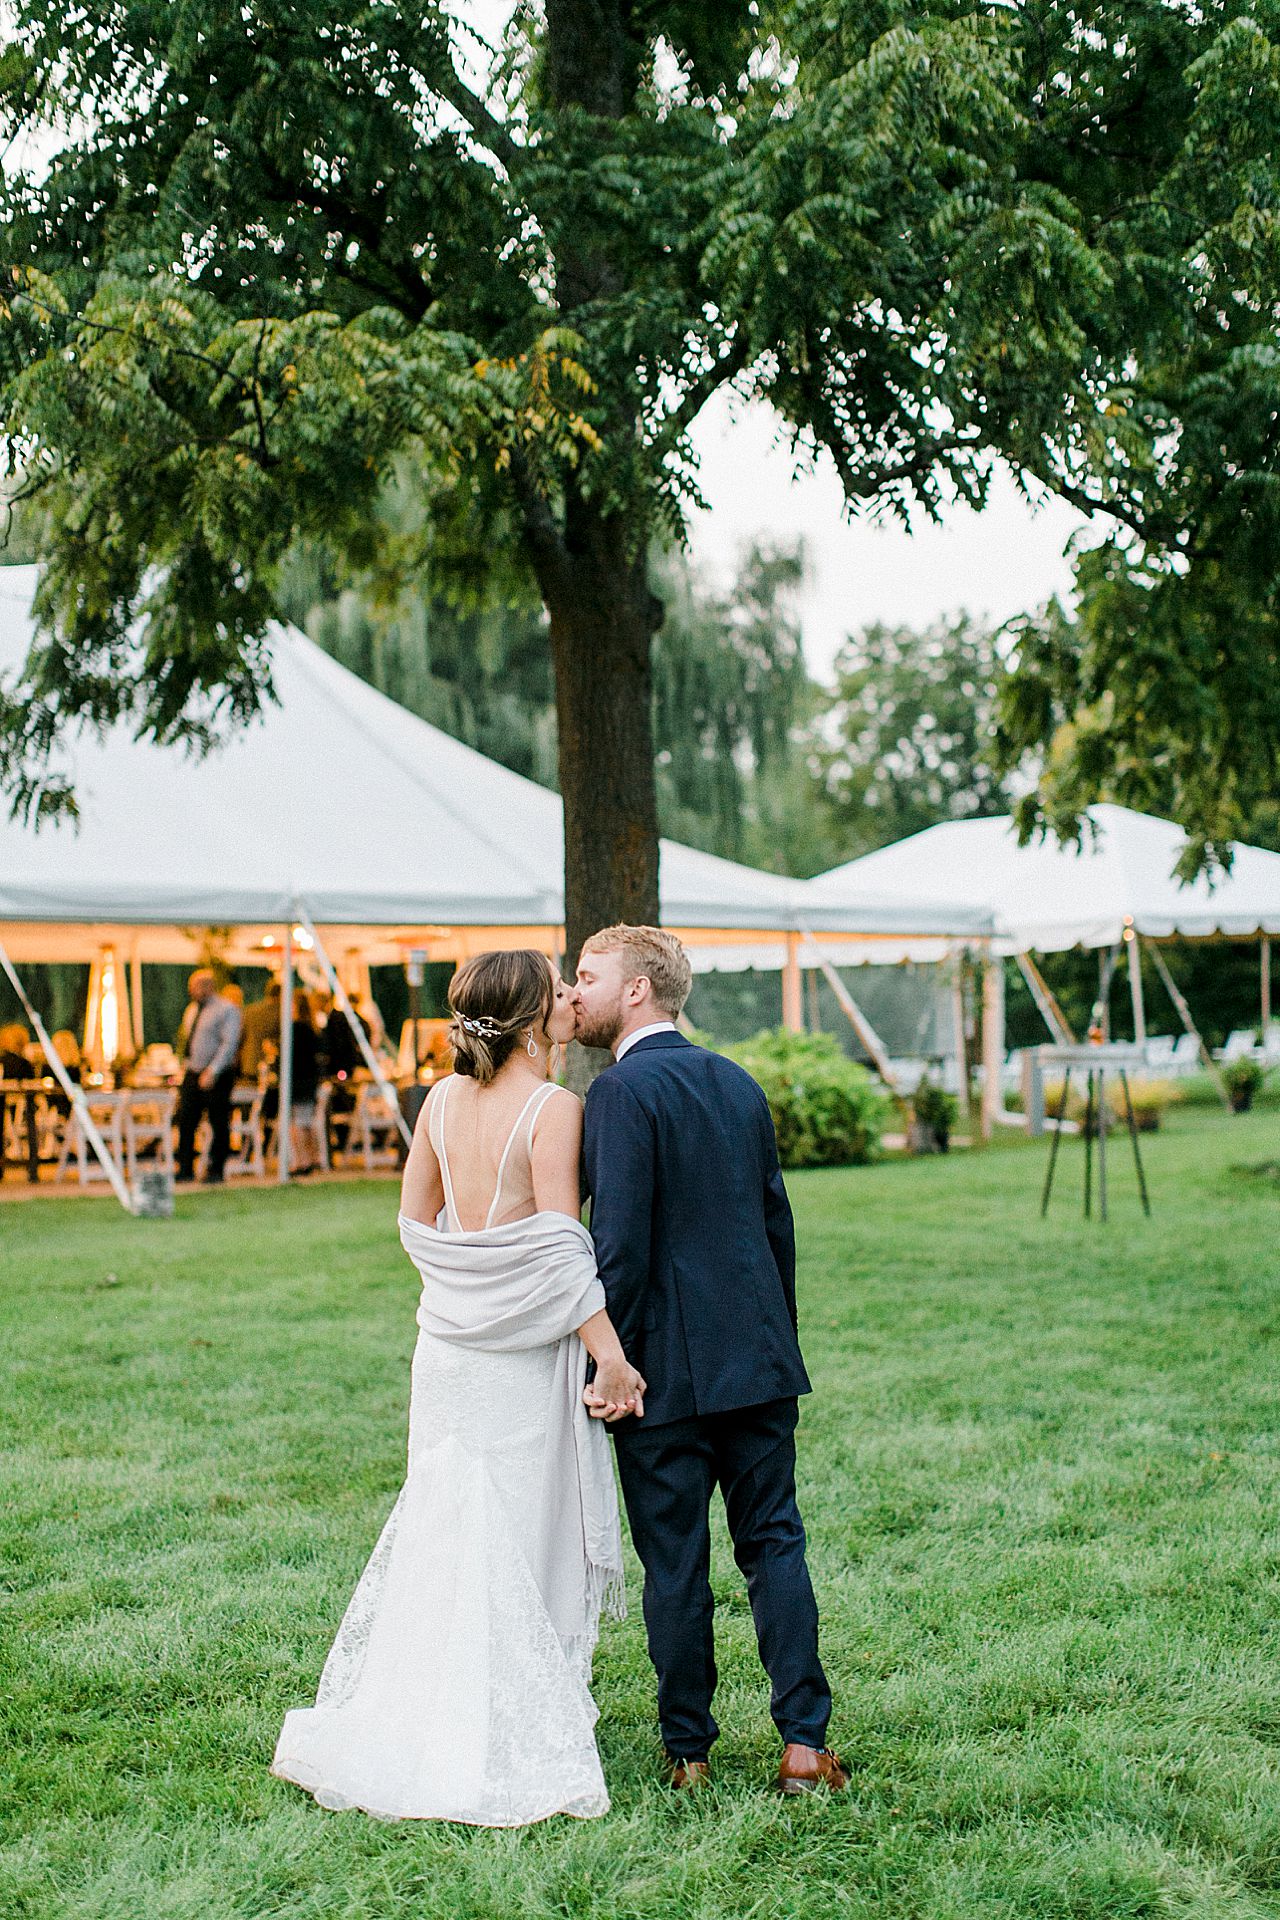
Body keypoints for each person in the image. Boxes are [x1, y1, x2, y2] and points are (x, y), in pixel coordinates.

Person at [272, 949, 644, 1825]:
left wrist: (470, 1273)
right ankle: (500, 1726)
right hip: (514, 1362)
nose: (567, 1000)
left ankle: (434, 1706)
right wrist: (611, 1356)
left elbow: (414, 1223)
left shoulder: (438, 1101)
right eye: (556, 991)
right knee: (519, 1535)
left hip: (445, 1350)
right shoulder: (556, 1110)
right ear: (527, 1021)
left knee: (452, 1526)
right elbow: (559, 1248)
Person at [574, 924, 846, 1798]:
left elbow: (616, 1248)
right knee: (775, 1545)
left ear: (639, 991)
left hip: (662, 1373)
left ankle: (688, 1753)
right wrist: (777, 1339)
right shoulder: (736, 1081)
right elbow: (777, 1226)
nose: (574, 992)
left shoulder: (619, 1093)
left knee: (678, 1562)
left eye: (588, 976)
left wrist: (607, 1357)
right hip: (759, 1361)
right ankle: (806, 1744)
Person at [175, 970, 243, 1185]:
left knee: (218, 1121)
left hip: (218, 1074)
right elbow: (189, 1040)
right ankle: (185, 1167)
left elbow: (229, 1043)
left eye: (195, 987)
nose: (191, 991)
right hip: (193, 1071)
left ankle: (216, 1169)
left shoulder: (226, 1010)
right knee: (186, 1119)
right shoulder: (192, 1010)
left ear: (207, 987)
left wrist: (213, 1070)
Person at [288, 989, 322, 1176]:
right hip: (310, 1081)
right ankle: (313, 1157)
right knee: (307, 1121)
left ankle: (302, 1161)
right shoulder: (313, 1028)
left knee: (297, 1122)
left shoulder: (295, 1029)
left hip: (298, 1081)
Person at [239, 978, 282, 1079]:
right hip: (271, 1067)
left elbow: (241, 1036)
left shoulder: (250, 1010)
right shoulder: (281, 1013)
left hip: (249, 1062)